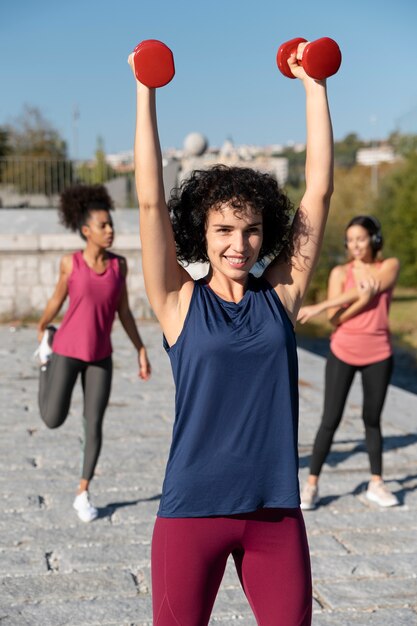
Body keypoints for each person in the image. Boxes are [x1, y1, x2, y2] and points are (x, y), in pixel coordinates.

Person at [128, 40, 334, 626]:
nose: (237, 244)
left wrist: (313, 86)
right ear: (203, 231)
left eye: (250, 230)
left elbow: (317, 193)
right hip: (191, 513)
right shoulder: (178, 302)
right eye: (223, 230)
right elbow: (147, 204)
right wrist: (146, 91)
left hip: (275, 514)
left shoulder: (280, 298)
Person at [36, 184, 151, 522]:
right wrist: (43, 326)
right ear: (86, 230)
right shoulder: (70, 264)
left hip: (101, 355)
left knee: (94, 423)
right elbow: (58, 299)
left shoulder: (120, 267)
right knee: (52, 419)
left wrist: (141, 348)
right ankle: (45, 362)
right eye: (103, 225)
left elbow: (124, 312)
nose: (110, 230)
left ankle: (83, 492)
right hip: (67, 349)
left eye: (111, 224)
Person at [298, 215, 400, 510]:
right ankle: (311, 485)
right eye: (351, 240)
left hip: (379, 352)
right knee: (330, 419)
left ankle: (376, 483)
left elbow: (367, 290)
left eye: (361, 238)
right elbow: (335, 321)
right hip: (343, 349)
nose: (355, 245)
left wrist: (320, 305)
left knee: (372, 419)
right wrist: (358, 302)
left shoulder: (388, 267)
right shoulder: (340, 273)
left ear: (374, 240)